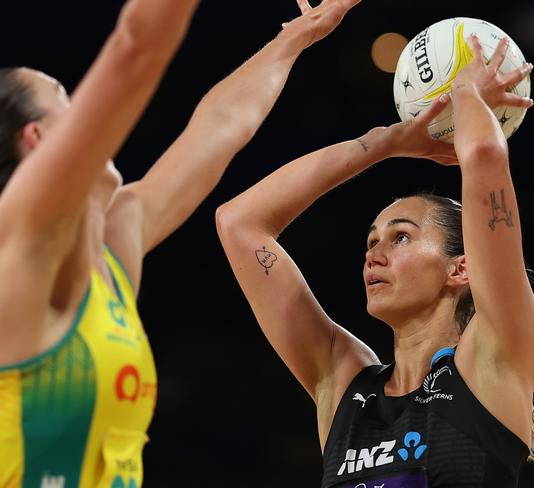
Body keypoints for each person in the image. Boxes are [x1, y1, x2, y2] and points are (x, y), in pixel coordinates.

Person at [0, 0, 362, 486]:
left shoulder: (111, 250)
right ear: (37, 137)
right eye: (65, 96)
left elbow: (221, 127)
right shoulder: (15, 247)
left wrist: (297, 37)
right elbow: (137, 46)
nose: (84, 110)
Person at [216, 33, 534, 487]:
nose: (375, 251)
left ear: (460, 268)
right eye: (371, 240)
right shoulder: (343, 384)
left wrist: (465, 91)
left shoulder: (493, 359)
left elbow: (485, 155)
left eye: (402, 237)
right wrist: (384, 142)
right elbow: (239, 222)